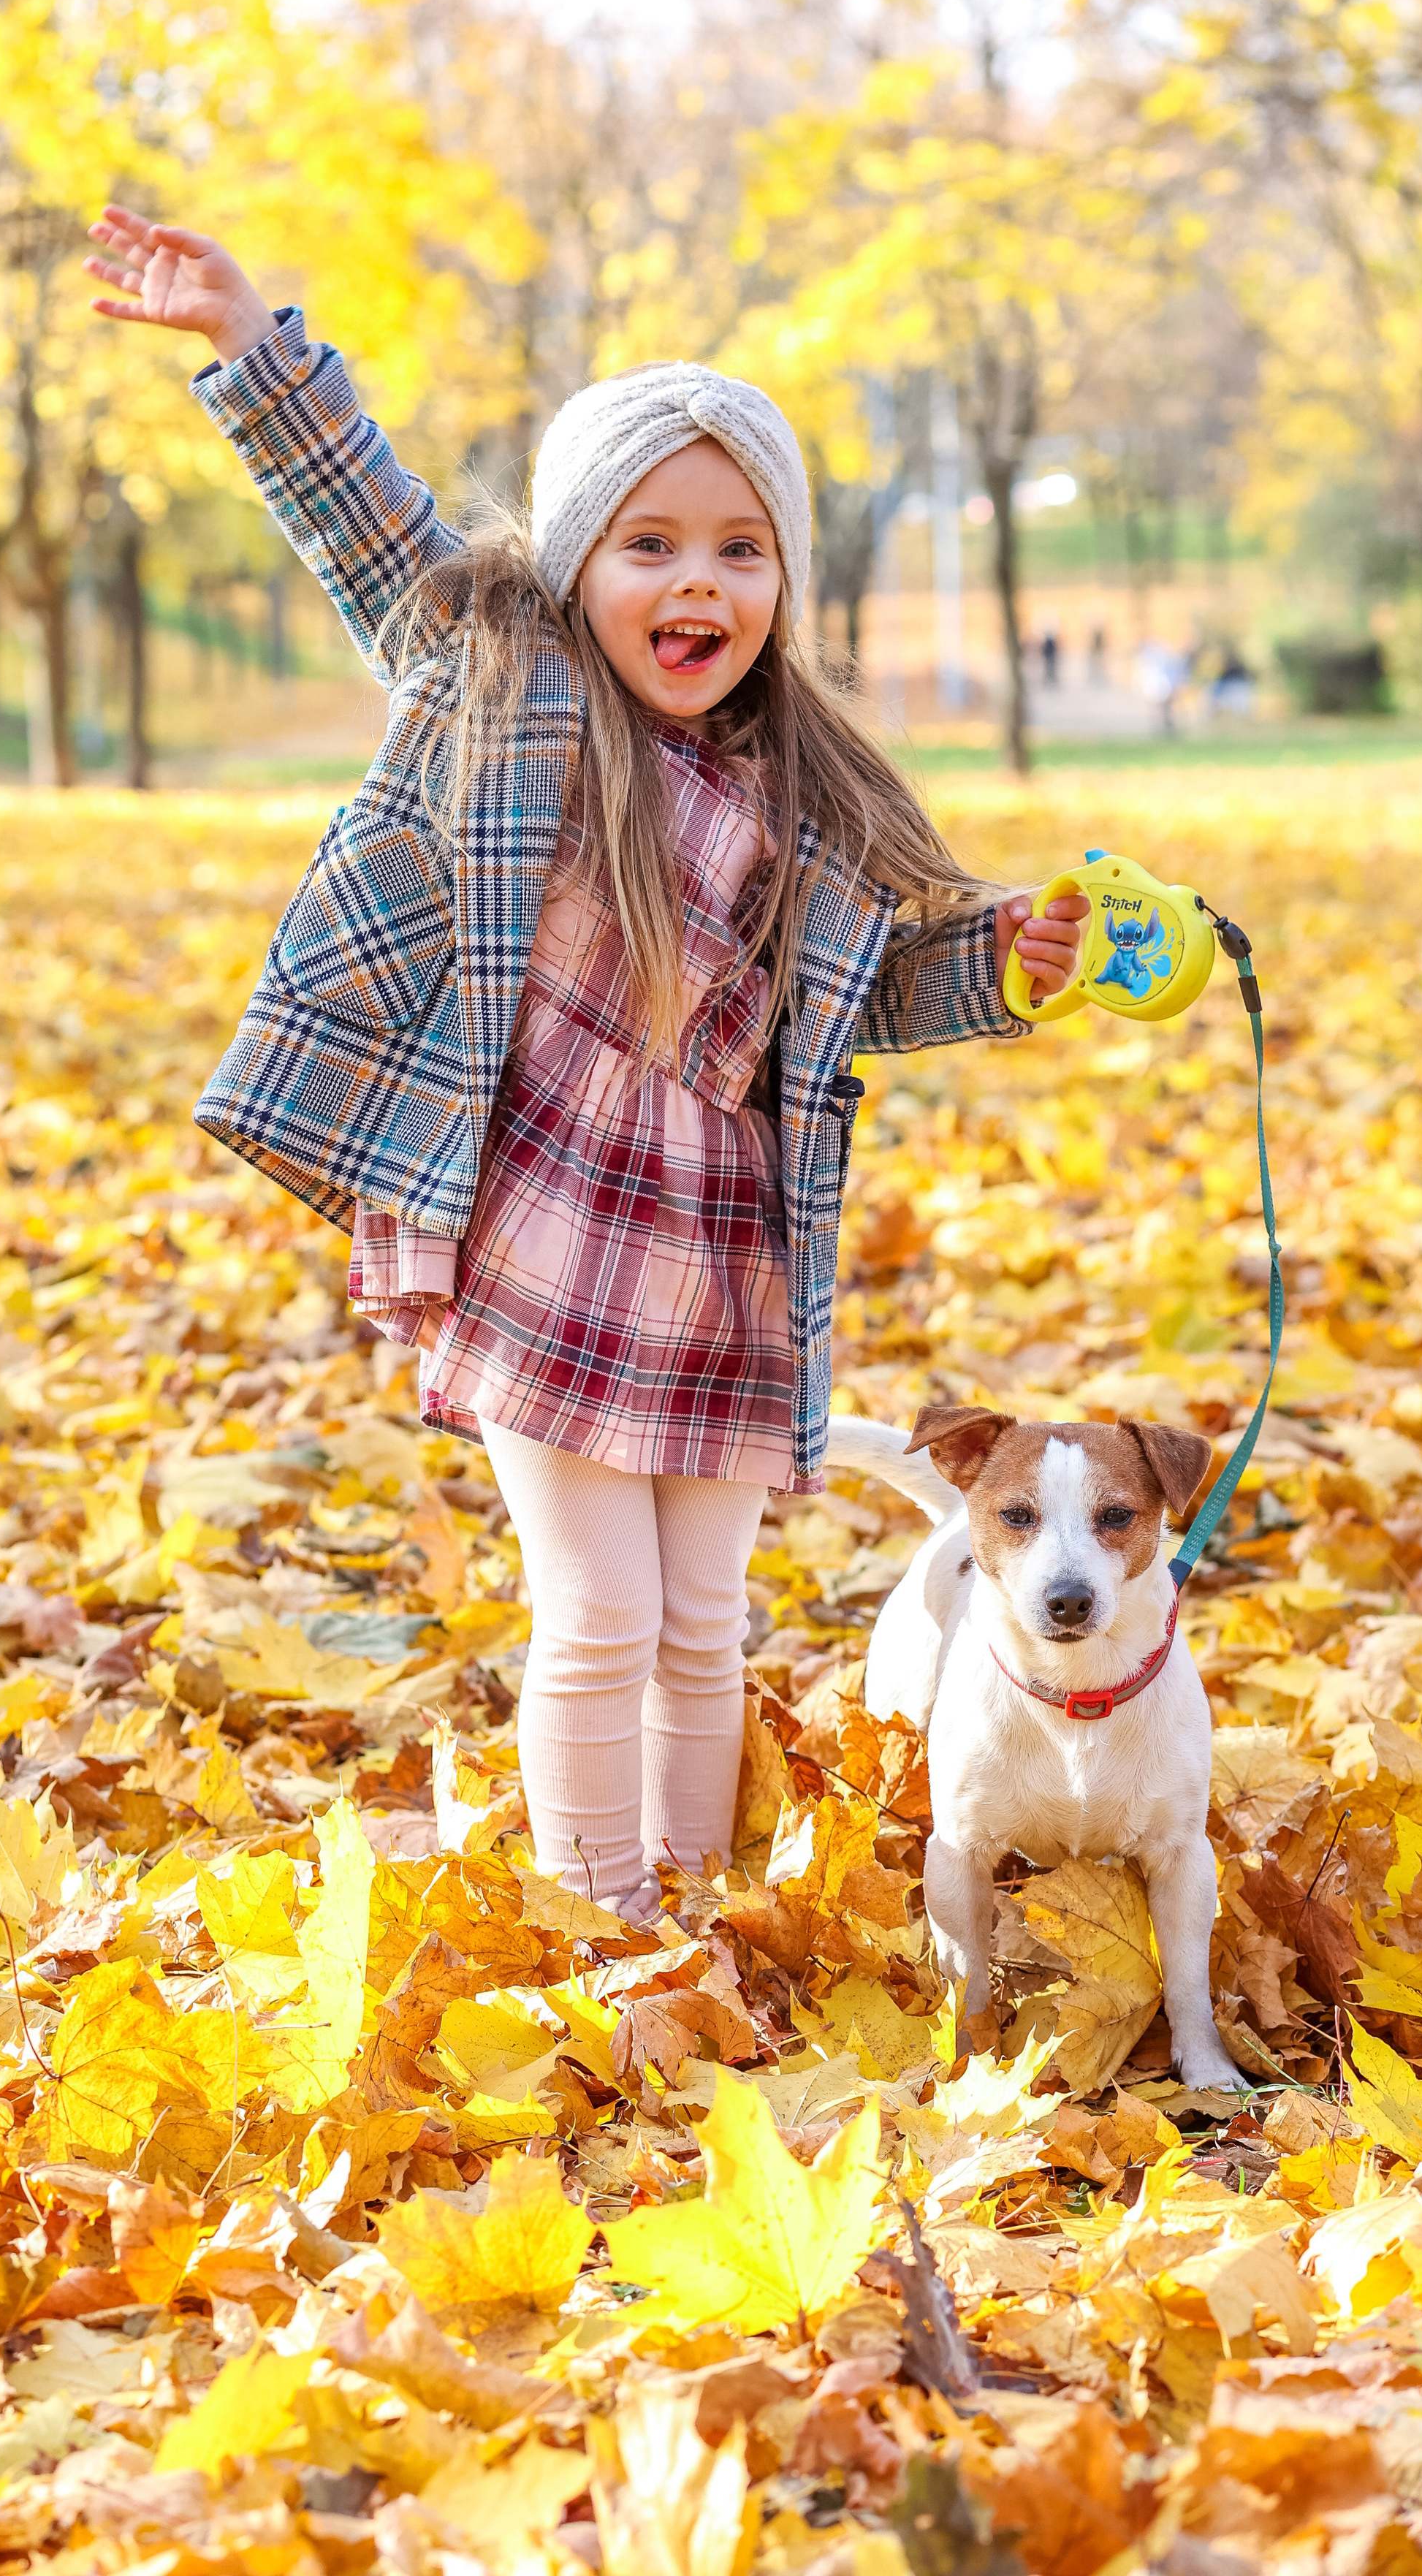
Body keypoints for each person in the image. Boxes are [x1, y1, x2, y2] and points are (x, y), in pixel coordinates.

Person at [85, 205, 1089, 1921]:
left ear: (780, 585)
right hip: (540, 1239)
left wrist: (995, 961)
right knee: (599, 1614)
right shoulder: (511, 697)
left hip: (718, 1263)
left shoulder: (807, 796)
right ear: (571, 569)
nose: (695, 581)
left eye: (737, 550)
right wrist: (250, 344)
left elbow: (854, 1004)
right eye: (648, 545)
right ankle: (600, 1917)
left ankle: (692, 1909)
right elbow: (365, 524)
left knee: (704, 1625)